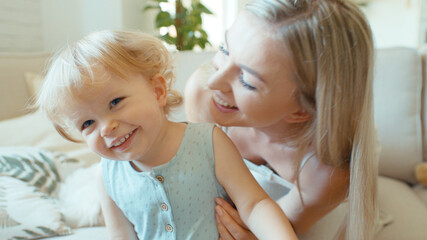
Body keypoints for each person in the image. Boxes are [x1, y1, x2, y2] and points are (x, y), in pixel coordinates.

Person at [35, 30, 297, 240]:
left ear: (158, 91)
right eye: (87, 123)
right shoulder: (106, 176)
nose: (106, 128)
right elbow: (120, 235)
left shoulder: (210, 141)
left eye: (115, 102)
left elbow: (254, 205)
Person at [184, 0, 378, 239]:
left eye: (247, 81)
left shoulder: (326, 172)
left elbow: (275, 231)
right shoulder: (202, 96)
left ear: (301, 112)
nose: (214, 82)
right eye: (225, 49)